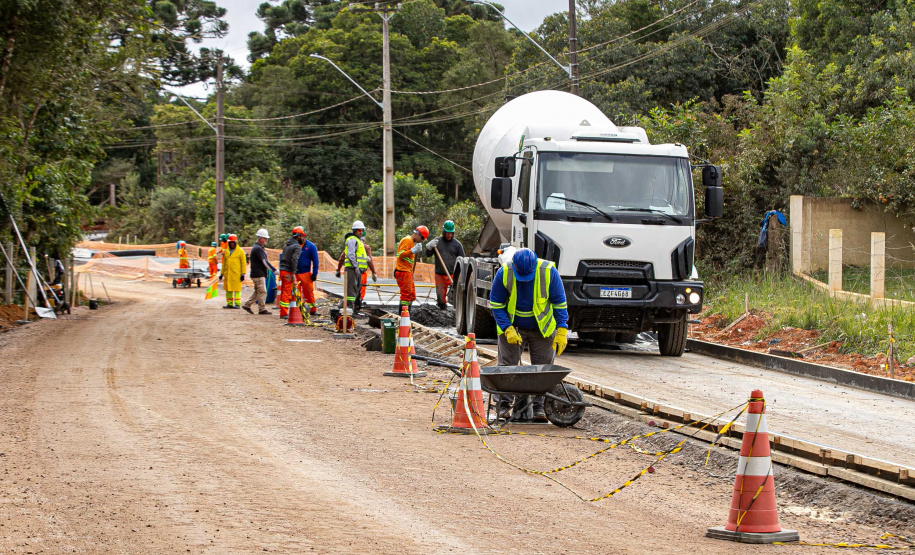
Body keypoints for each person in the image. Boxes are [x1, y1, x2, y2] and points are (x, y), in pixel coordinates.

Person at [489, 248, 568, 422]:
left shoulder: (548, 272)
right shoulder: (505, 272)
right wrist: (507, 328)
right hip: (513, 327)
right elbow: (496, 304)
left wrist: (562, 329)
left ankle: (539, 408)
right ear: (514, 266)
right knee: (507, 367)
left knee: (543, 369)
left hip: (542, 329)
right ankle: (503, 407)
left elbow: (559, 303)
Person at [424, 220, 464, 310]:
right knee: (441, 299)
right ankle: (442, 310)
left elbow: (462, 259)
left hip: (453, 274)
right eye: (447, 233)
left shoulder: (457, 244)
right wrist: (429, 248)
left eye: (451, 233)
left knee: (457, 295)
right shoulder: (437, 242)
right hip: (440, 274)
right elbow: (427, 254)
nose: (449, 235)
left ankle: (457, 311)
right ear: (444, 231)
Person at [335, 231, 377, 313]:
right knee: (354, 291)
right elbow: (370, 261)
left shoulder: (362, 247)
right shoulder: (360, 245)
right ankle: (352, 307)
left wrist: (338, 269)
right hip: (357, 271)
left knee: (355, 291)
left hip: (359, 272)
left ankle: (353, 307)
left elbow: (342, 258)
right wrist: (373, 272)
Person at [243, 228, 277, 315]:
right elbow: (264, 262)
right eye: (265, 238)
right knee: (262, 291)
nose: (266, 240)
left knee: (258, 291)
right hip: (258, 274)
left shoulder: (258, 247)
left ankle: (247, 305)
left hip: (257, 273)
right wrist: (274, 270)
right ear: (261, 238)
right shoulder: (258, 248)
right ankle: (262, 309)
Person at [394, 226, 429, 309]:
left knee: (411, 295)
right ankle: (403, 314)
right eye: (422, 238)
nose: (422, 241)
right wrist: (412, 251)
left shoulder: (411, 242)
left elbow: (408, 260)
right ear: (417, 234)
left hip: (407, 272)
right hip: (403, 271)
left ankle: (407, 313)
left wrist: (411, 273)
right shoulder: (407, 240)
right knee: (406, 295)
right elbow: (400, 255)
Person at [278, 226, 305, 319]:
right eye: (302, 236)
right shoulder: (297, 246)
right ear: (299, 236)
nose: (303, 239)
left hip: (282, 270)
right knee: (287, 292)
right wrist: (293, 273)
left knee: (284, 291)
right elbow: (294, 259)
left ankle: (284, 310)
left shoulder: (287, 245)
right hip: (288, 272)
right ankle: (284, 313)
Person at [295, 228, 320, 316]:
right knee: (296, 293)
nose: (297, 238)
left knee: (309, 293)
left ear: (303, 236)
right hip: (295, 274)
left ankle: (312, 309)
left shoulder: (311, 246)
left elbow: (315, 261)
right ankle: (298, 310)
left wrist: (314, 273)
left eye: (299, 236)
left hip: (306, 273)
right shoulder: (293, 246)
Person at [220, 233, 247, 309]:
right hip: (227, 274)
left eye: (233, 242)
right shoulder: (227, 251)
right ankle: (229, 303)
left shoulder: (240, 251)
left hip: (236, 274)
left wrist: (243, 274)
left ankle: (237, 304)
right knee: (228, 289)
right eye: (230, 242)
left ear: (236, 242)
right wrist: (221, 274)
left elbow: (243, 263)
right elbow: (224, 264)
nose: (232, 244)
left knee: (237, 289)